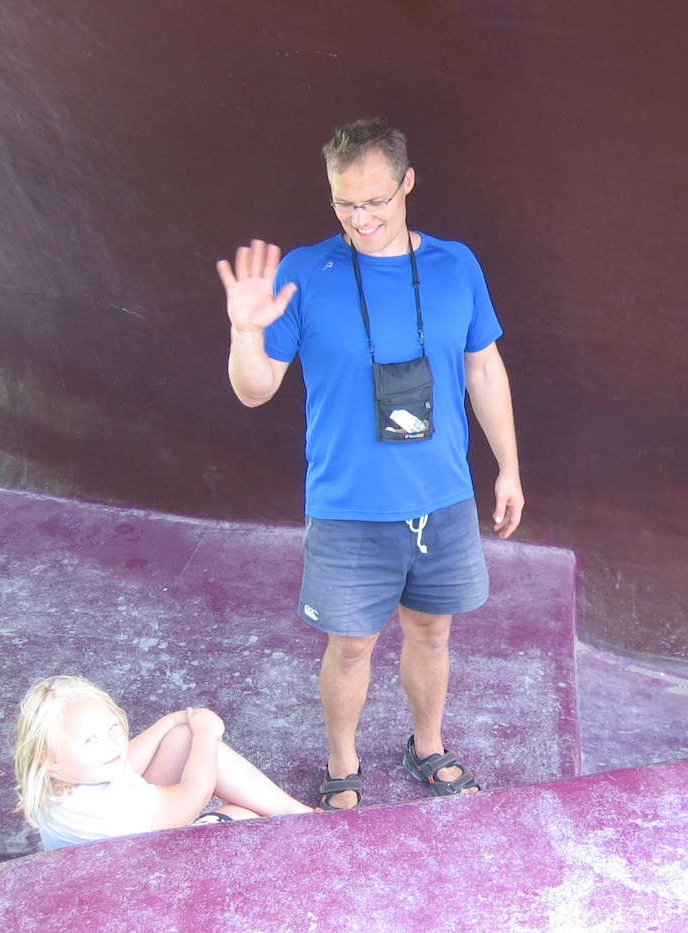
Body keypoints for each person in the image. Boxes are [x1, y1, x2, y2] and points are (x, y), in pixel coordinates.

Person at [216, 118, 523, 809]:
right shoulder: (304, 272)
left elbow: (484, 368)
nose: (361, 219)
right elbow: (254, 389)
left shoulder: (456, 265)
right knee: (351, 646)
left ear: (408, 183)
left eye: (376, 201)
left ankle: (428, 746)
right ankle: (342, 764)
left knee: (432, 632)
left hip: (442, 497)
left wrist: (508, 466)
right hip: (349, 504)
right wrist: (244, 331)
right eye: (345, 203)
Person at [14, 676, 314, 850]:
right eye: (90, 741)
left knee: (181, 738)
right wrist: (207, 734)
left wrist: (171, 721)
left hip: (118, 858)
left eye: (113, 728)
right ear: (50, 761)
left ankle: (301, 815)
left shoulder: (56, 777)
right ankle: (310, 826)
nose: (111, 744)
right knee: (242, 814)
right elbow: (194, 793)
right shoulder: (108, 811)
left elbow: (127, 761)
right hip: (148, 879)